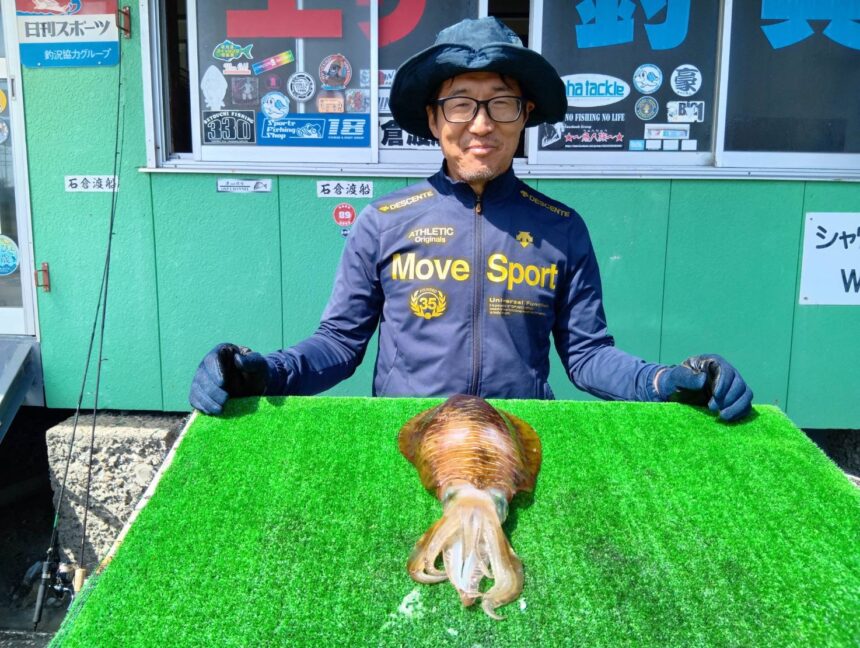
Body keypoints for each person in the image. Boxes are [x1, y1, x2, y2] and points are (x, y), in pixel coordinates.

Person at [189, 17, 753, 422]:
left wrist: (665, 381)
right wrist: (262, 372)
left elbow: (588, 356)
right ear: (434, 119)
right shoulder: (383, 221)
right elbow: (338, 344)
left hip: (518, 444)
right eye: (460, 103)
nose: (481, 125)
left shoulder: (562, 227)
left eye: (501, 103)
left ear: (525, 116)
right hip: (409, 440)